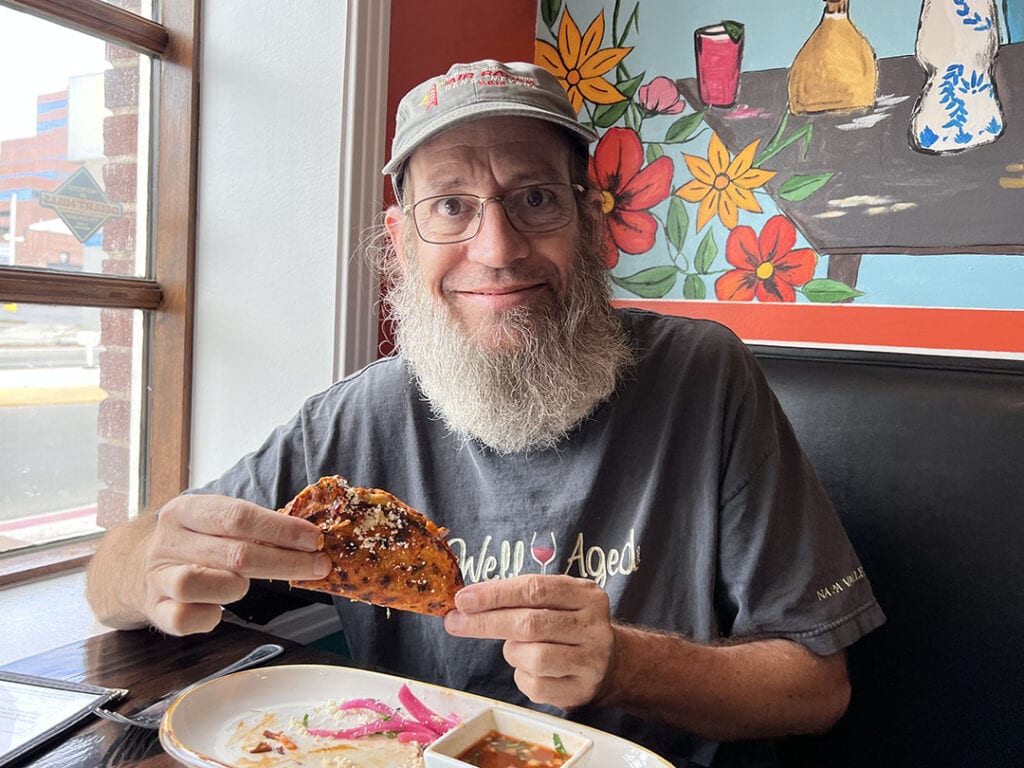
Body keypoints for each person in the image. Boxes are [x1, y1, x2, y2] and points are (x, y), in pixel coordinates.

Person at [86, 59, 885, 766]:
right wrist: (154, 563)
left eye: (535, 198)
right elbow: (112, 575)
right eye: (451, 207)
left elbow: (818, 689)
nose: (497, 248)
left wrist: (627, 663)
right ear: (401, 241)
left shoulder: (703, 377)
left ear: (594, 224)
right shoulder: (358, 419)